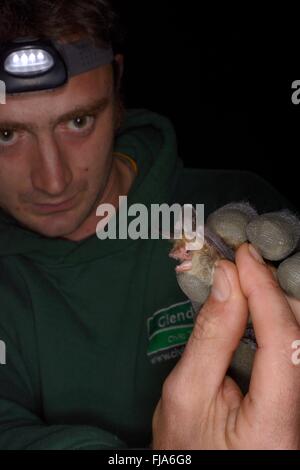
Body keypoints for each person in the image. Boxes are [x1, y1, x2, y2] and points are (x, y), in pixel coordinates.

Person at [0, 0, 299, 450]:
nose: (52, 179)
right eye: (6, 134)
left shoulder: (237, 207)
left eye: (78, 121)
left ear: (117, 84)